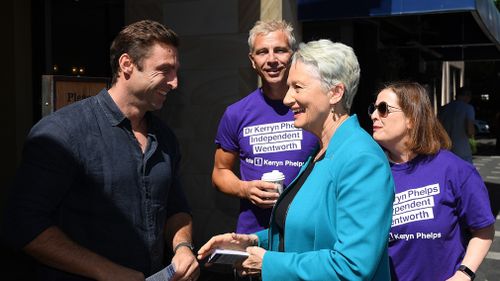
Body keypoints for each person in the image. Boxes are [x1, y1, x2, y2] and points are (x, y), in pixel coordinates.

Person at [1, 20, 200, 281]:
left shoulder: (164, 137)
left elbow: (175, 207)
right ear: (127, 64)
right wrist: (107, 272)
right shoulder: (62, 132)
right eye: (164, 70)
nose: (174, 83)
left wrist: (183, 247)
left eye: (176, 72)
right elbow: (23, 225)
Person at [198, 39, 395, 280]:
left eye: (298, 87)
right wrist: (251, 241)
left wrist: (268, 263)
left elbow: (353, 266)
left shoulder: (361, 159)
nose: (287, 98)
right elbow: (305, 230)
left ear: (335, 92)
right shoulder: (321, 152)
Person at [369, 81, 495, 281]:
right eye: (373, 108)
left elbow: (483, 229)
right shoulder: (370, 173)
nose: (374, 115)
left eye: (383, 109)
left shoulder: (454, 170)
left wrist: (464, 274)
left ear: (411, 117)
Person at [212, 20, 317, 234]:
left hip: (306, 235)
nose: (271, 60)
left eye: (280, 50)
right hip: (254, 234)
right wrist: (245, 189)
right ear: (252, 60)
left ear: (294, 55)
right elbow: (220, 172)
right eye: (262, 52)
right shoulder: (236, 113)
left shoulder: (315, 108)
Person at [438, 86, 476, 162]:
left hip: (445, 149)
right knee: (465, 173)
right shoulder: (468, 108)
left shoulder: (444, 108)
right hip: (462, 150)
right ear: (467, 96)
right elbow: (470, 130)